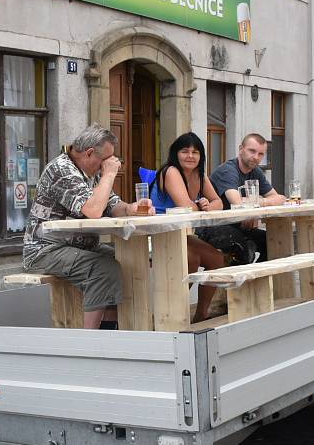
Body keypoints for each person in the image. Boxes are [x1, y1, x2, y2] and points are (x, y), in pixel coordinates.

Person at [23, 124, 154, 330]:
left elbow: (112, 205)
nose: (111, 164)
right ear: (90, 153)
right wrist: (110, 174)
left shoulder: (93, 172)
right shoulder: (61, 170)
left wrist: (131, 208)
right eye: (107, 160)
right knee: (104, 269)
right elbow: (93, 210)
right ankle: (89, 340)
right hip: (45, 249)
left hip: (81, 247)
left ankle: (112, 330)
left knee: (128, 261)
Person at [149, 132, 226, 324]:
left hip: (179, 233)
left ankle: (201, 314)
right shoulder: (171, 171)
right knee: (190, 260)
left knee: (217, 259)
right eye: (185, 151)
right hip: (158, 233)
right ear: (176, 154)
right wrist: (203, 205)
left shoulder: (200, 175)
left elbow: (219, 202)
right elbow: (185, 206)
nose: (190, 156)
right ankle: (170, 312)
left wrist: (208, 205)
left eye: (195, 152)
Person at [199, 133, 287, 263]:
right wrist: (257, 206)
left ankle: (257, 280)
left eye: (260, 154)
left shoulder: (255, 171)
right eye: (252, 151)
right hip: (212, 227)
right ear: (241, 149)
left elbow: (279, 198)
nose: (256, 157)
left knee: (274, 242)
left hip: (237, 226)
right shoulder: (228, 170)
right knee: (244, 247)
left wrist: (254, 210)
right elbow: (238, 203)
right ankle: (235, 281)